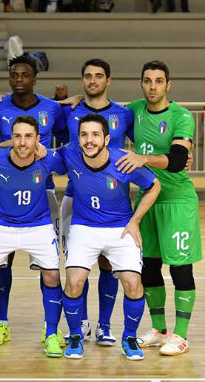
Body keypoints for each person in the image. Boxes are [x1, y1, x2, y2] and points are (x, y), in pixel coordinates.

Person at [114, 61, 200, 356]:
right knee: (149, 265)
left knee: (179, 267)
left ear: (168, 85)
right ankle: (160, 329)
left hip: (176, 200)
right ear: (141, 84)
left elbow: (177, 160)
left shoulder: (182, 116)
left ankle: (181, 335)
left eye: (159, 81)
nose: (153, 86)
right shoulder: (134, 110)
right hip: (148, 199)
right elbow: (103, 114)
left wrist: (143, 159)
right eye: (148, 81)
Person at [59, 114, 160, 361]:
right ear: (78, 138)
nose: (89, 140)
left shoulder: (122, 161)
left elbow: (154, 185)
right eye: (84, 135)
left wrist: (135, 220)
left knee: (133, 284)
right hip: (84, 227)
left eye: (95, 135)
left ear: (106, 138)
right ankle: (75, 335)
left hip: (120, 228)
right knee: (74, 281)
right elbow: (38, 155)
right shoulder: (69, 154)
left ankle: (129, 337)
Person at [57, 59, 134, 345]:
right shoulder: (70, 110)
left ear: (108, 81)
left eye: (99, 76)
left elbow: (144, 148)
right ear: (82, 81)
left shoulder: (124, 114)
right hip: (75, 199)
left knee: (107, 264)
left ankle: (104, 325)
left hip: (113, 202)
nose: (93, 81)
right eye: (87, 76)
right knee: (78, 265)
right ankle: (82, 323)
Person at [0, 54, 64, 346]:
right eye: (14, 75)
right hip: (7, 194)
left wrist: (69, 99)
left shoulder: (52, 108)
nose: (19, 80)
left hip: (43, 194)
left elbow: (67, 135)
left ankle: (51, 329)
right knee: (2, 262)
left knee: (48, 268)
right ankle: (2, 321)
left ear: (35, 78)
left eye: (25, 75)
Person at [0, 116, 65, 357]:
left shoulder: (49, 160)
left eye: (28, 136)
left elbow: (68, 164)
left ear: (38, 139)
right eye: (17, 136)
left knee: (52, 275)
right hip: (1, 224)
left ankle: (52, 334)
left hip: (38, 225)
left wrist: (49, 152)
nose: (23, 142)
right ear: (11, 138)